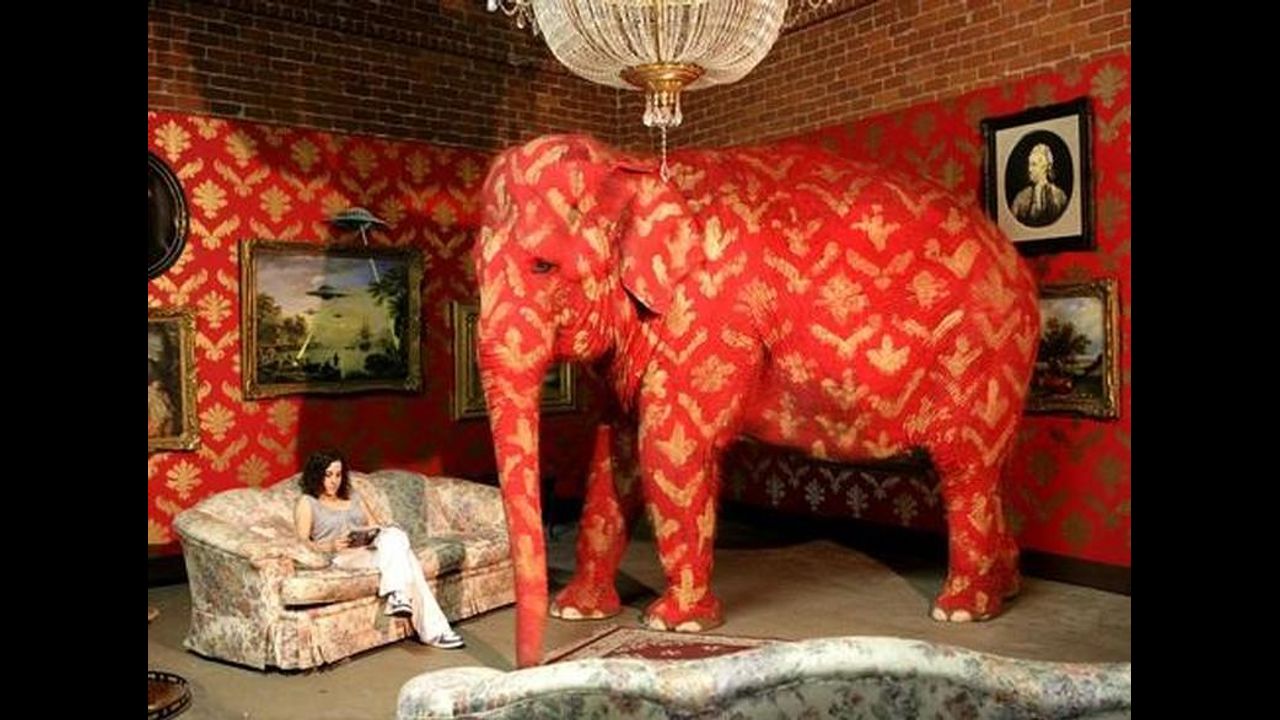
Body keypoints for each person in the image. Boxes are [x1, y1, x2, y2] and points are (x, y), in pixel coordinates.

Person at [293, 448, 465, 649]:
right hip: (342, 556)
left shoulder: (353, 497)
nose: (334, 481)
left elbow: (375, 525)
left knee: (394, 534)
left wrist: (371, 533)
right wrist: (329, 545)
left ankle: (401, 598)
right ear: (316, 474)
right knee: (409, 560)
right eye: (328, 475)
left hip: (368, 550)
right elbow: (302, 542)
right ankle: (434, 629)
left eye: (338, 475)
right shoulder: (308, 502)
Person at [1010, 142, 1068, 226]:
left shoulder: (1060, 196)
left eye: (1034, 165)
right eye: (1029, 165)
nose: (1029, 169)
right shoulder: (1021, 197)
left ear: (1044, 167)